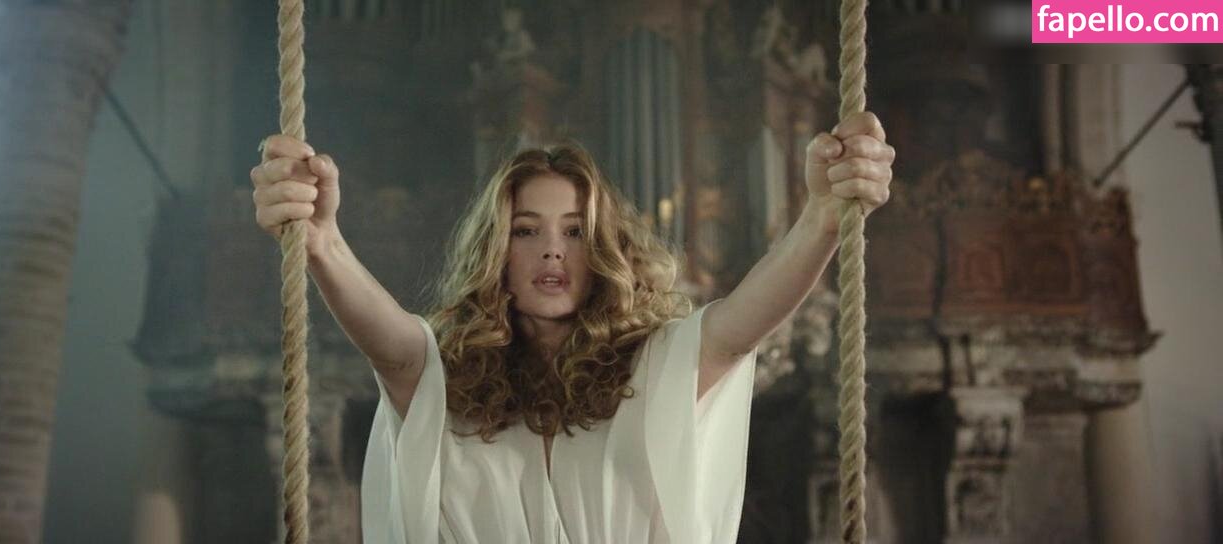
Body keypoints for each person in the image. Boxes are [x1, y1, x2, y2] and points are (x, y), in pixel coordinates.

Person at [250, 112, 894, 543]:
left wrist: (822, 219)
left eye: (576, 231)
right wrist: (322, 241)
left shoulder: (657, 366)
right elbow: (393, 349)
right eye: (526, 231)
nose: (553, 250)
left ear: (604, 248)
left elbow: (741, 324)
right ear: (497, 251)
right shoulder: (443, 379)